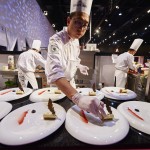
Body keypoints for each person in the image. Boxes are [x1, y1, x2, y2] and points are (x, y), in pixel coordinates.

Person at [45, 0, 106, 121]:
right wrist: (78, 97)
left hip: (71, 84)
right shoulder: (55, 41)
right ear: (68, 21)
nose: (81, 28)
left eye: (85, 24)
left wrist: (79, 65)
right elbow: (54, 73)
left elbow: (74, 58)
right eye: (77, 22)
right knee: (59, 117)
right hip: (58, 86)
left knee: (75, 116)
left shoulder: (76, 40)